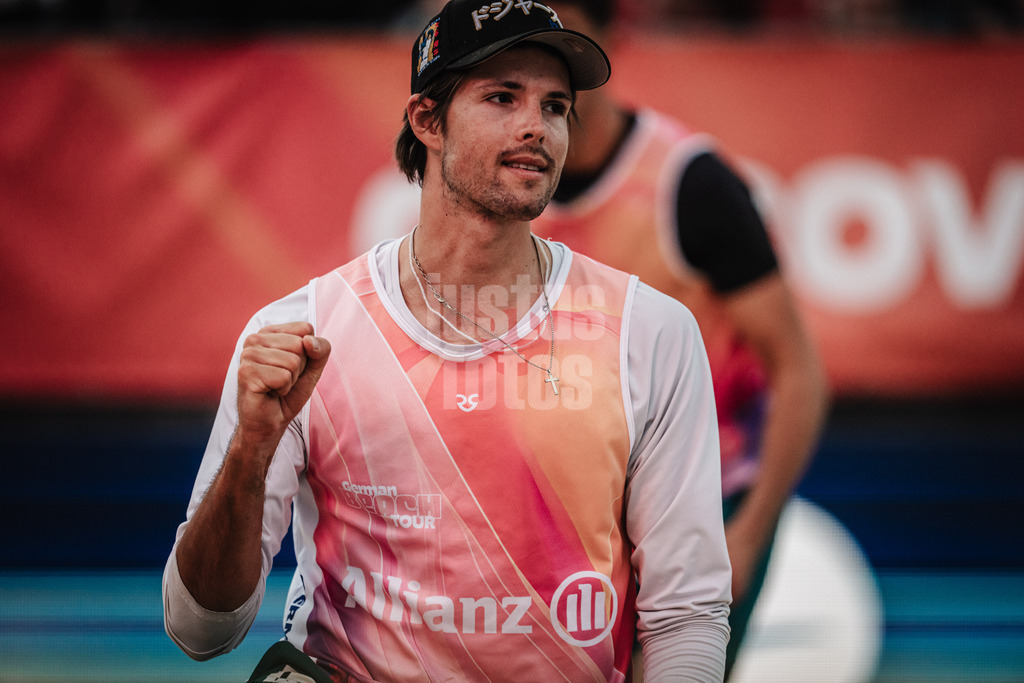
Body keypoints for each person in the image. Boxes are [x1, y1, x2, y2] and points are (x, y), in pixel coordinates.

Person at [163, 1, 731, 680]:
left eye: (555, 107)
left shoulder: (651, 331)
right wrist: (250, 450)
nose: (537, 127)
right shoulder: (302, 333)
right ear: (426, 121)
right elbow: (200, 628)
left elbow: (685, 613)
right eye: (501, 97)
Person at [534, 2, 830, 678]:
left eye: (564, 30)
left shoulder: (688, 183)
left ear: (606, 39)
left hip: (702, 500)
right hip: (573, 506)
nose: (545, 51)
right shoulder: (504, 183)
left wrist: (747, 533)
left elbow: (800, 373)